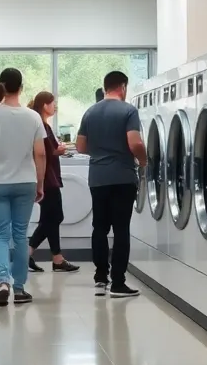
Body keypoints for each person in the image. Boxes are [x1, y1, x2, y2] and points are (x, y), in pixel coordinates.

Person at [0, 68, 46, 307]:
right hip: (26, 182)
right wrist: (40, 183)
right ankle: (19, 288)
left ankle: (2, 281)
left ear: (1, 86)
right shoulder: (33, 117)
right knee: (20, 235)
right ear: (21, 87)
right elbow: (40, 154)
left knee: (0, 235)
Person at [77, 70, 146, 298]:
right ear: (123, 87)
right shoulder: (128, 110)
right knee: (121, 229)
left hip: (97, 178)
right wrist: (144, 161)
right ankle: (118, 283)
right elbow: (134, 142)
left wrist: (100, 152)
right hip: (123, 177)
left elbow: (80, 147)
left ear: (105, 87)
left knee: (99, 227)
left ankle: (100, 278)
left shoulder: (90, 112)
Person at [26, 91, 79, 275]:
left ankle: (57, 258)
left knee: (49, 219)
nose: (54, 106)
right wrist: (60, 150)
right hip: (46, 178)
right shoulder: (41, 125)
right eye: (52, 103)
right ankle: (28, 253)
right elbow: (47, 152)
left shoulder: (42, 125)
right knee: (55, 217)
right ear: (44, 105)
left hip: (47, 176)